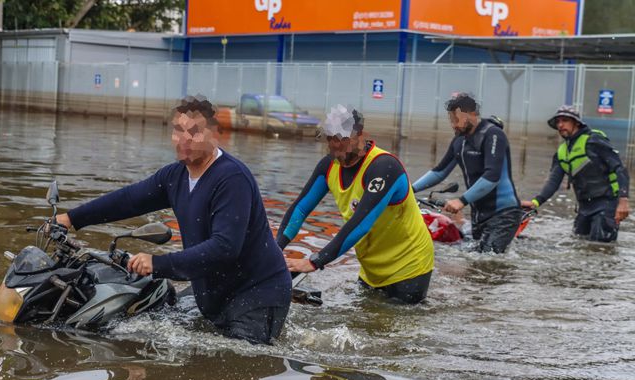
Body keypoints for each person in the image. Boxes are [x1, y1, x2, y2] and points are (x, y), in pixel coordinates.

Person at [55, 95, 292, 345]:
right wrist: (71, 218)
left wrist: (158, 264)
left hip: (257, 293)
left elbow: (225, 247)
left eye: (195, 132)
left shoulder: (232, 179)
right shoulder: (174, 176)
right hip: (215, 293)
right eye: (179, 130)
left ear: (214, 135)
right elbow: (129, 199)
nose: (184, 139)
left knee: (234, 371)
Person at [276, 104, 434, 304]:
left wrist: (315, 261)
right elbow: (300, 208)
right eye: (330, 138)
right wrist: (274, 249)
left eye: (341, 139)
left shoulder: (384, 167)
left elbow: (361, 223)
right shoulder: (328, 166)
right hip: (372, 269)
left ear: (359, 135)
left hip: (410, 267)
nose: (334, 145)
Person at [412, 93, 522, 253]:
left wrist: (462, 201)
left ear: (472, 114)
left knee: (489, 262)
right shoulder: (459, 141)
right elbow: (439, 172)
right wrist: (409, 189)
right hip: (479, 214)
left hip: (504, 213)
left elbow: (492, 177)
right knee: (475, 264)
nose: (453, 125)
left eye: (456, 119)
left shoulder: (493, 135)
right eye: (451, 120)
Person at [520, 105, 630, 242]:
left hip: (606, 204)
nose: (560, 125)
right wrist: (536, 202)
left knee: (601, 248)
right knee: (579, 244)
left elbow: (620, 168)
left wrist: (623, 201)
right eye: (558, 122)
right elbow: (554, 182)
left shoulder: (594, 140)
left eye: (565, 120)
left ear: (576, 123)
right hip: (584, 207)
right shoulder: (561, 152)